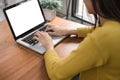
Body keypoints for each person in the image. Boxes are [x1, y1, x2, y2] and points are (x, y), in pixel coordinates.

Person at [33, 0, 120, 80]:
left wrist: (49, 46)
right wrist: (68, 31)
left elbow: (57, 73)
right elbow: (98, 29)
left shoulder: (102, 38)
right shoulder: (115, 24)